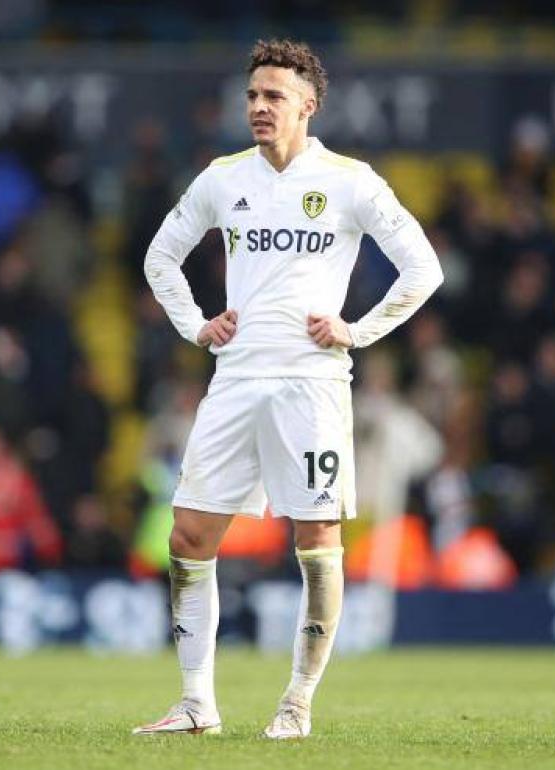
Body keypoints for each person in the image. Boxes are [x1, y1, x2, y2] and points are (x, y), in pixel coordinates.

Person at [133, 39, 442, 740]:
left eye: (273, 96)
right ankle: (195, 704)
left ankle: (297, 702)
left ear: (308, 104)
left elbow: (423, 269)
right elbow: (160, 256)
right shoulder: (223, 177)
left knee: (317, 537)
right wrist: (195, 325)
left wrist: (356, 330)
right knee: (188, 533)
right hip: (236, 376)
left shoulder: (350, 180)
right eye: (252, 97)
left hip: (311, 383)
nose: (259, 108)